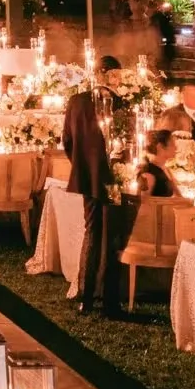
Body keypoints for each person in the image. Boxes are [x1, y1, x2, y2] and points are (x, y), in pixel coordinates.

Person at [62, 88, 115, 311]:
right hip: (113, 176)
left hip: (89, 175)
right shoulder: (119, 102)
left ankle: (86, 296)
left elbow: (67, 140)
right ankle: (109, 297)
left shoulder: (76, 101)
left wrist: (81, 165)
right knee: (112, 234)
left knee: (92, 230)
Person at [137, 129, 178, 197]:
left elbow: (178, 197)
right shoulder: (149, 173)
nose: (175, 147)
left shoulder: (165, 169)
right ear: (160, 146)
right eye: (172, 144)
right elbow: (143, 204)